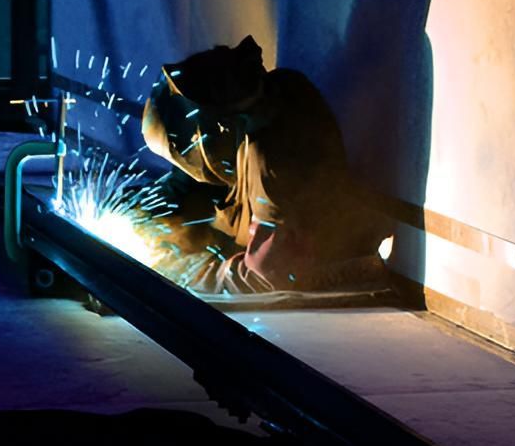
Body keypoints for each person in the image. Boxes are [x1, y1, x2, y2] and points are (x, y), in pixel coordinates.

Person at [141, 36, 389, 295]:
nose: (187, 165)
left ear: (208, 134)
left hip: (318, 269)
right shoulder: (240, 119)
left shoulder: (271, 155)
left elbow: (268, 276)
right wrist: (140, 217)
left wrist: (184, 274)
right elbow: (182, 186)